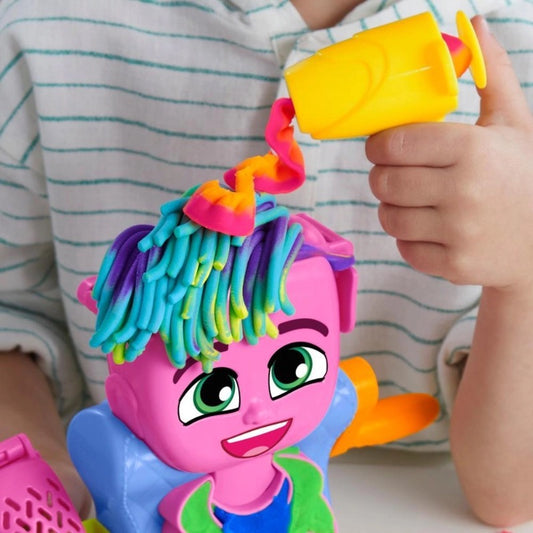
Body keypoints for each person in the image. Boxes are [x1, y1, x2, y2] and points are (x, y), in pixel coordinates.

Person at [0, 0, 532, 527]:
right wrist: (38, 466)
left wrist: (523, 271)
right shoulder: (37, 31)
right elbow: (13, 317)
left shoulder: (517, 38)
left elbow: (512, 498)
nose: (257, 411)